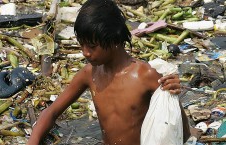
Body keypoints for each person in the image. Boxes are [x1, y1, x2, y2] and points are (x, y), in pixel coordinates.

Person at [27, 0, 190, 144]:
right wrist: (33, 141)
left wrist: (173, 95)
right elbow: (52, 111)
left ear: (114, 40)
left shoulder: (144, 75)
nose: (85, 53)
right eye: (81, 45)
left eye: (92, 46)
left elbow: (179, 131)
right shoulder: (89, 74)